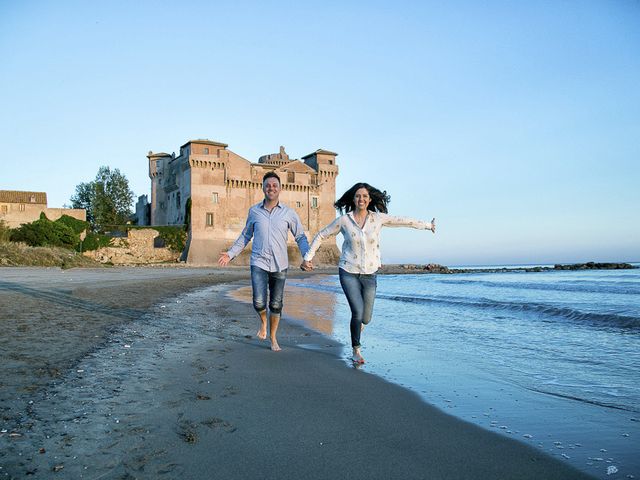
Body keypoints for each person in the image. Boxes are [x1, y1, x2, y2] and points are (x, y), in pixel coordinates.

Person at [301, 182, 435, 364]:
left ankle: (359, 326)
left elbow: (402, 221)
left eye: (364, 196)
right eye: (358, 196)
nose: (361, 199)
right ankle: (356, 350)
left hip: (370, 273)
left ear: (369, 199)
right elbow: (322, 235)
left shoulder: (377, 219)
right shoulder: (345, 220)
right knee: (357, 312)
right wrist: (308, 257)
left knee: (366, 318)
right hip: (348, 270)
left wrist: (427, 225)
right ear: (353, 199)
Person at [218, 171, 310, 352]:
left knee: (276, 304)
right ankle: (263, 322)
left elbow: (300, 236)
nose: (271, 188)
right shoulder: (254, 211)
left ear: (280, 189)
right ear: (262, 188)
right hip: (258, 262)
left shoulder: (289, 213)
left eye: (275, 185)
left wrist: (307, 257)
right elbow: (245, 236)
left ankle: (273, 338)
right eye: (268, 185)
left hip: (280, 264)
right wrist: (230, 254)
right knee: (259, 302)